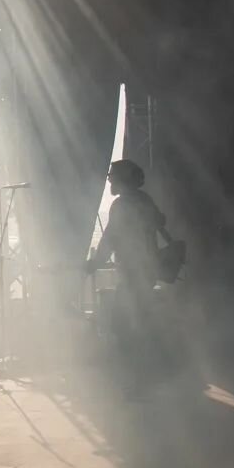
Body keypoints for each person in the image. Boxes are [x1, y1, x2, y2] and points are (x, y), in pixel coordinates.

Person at [85, 159, 167, 389]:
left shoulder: (122, 205)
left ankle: (136, 381)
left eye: (112, 175)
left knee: (123, 326)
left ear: (122, 179)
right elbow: (159, 222)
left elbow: (111, 237)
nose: (109, 178)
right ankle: (147, 376)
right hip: (147, 270)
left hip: (133, 272)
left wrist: (95, 263)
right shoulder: (144, 200)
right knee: (138, 322)